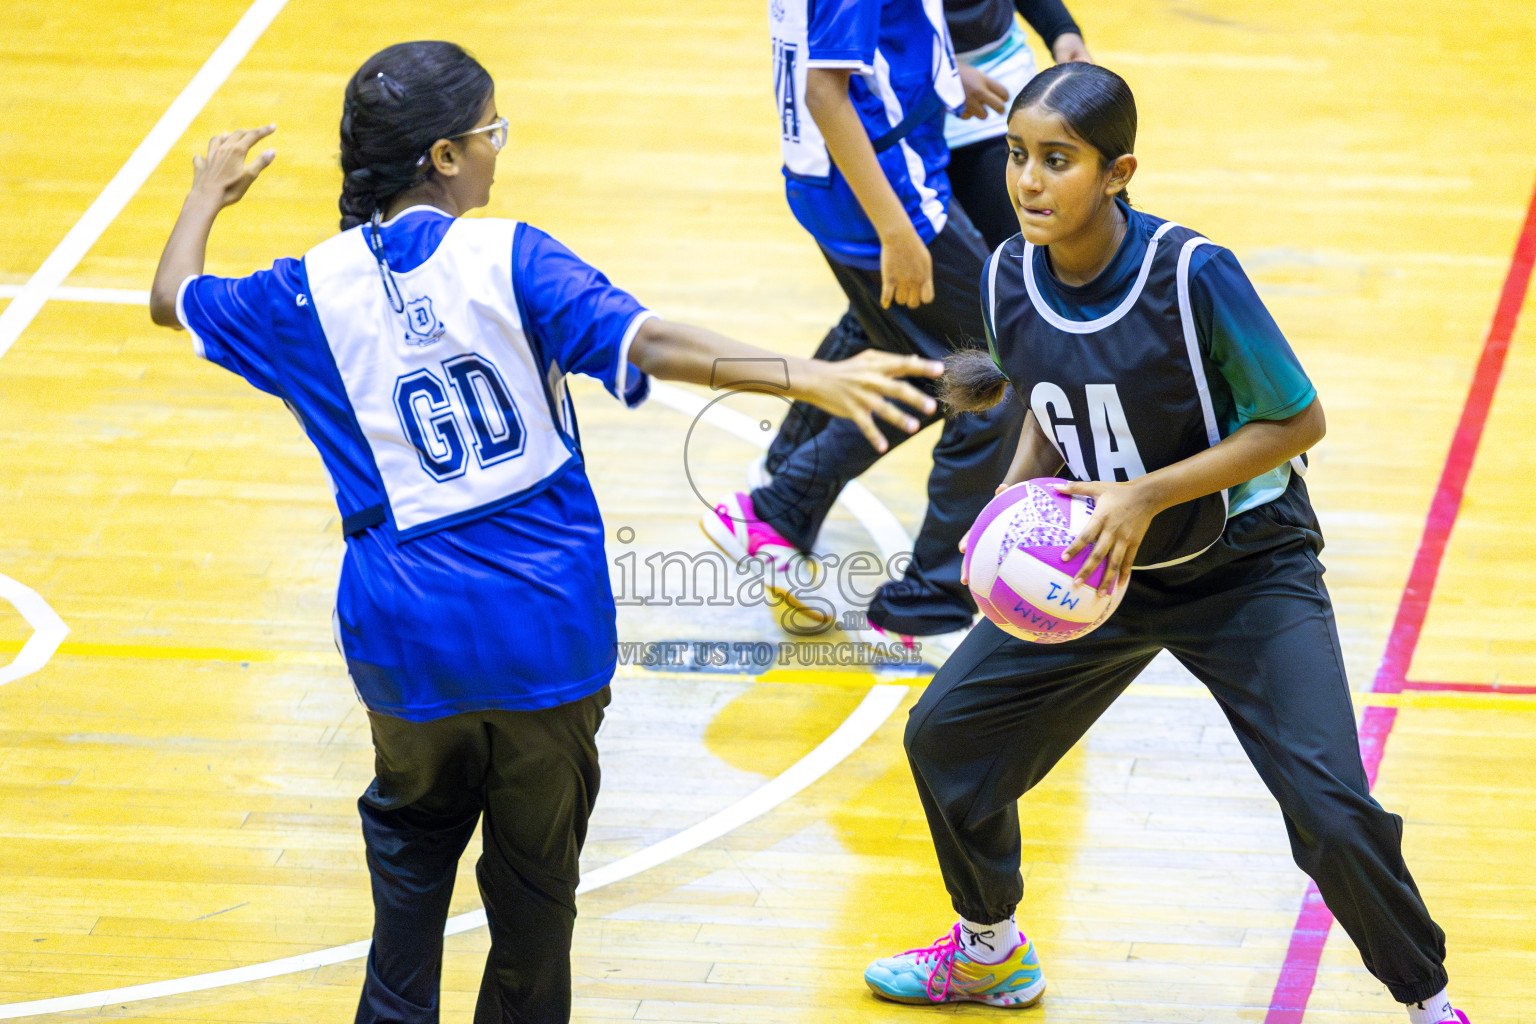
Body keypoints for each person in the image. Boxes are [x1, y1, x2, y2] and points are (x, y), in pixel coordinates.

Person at [146, 41, 942, 1024]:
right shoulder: (511, 256)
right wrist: (806, 373)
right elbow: (647, 341)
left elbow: (171, 297)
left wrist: (206, 195)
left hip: (406, 638)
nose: (497, 151)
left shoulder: (298, 294)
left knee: (406, 890)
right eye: (491, 132)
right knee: (531, 918)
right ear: (442, 156)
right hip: (547, 630)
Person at [862, 62, 1469, 1024]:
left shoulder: (1191, 275)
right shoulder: (1009, 272)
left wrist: (1143, 494)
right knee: (947, 737)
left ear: (1117, 171)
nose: (1027, 181)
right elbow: (1049, 400)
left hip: (1246, 569)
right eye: (1018, 155)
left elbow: (1297, 422)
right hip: (1101, 568)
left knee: (1331, 813)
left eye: (1057, 161)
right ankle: (989, 952)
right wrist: (1016, 497)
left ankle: (1429, 1003)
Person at [736, 0, 1092, 663]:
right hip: (887, 194)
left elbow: (873, 43)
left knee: (918, 357)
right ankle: (918, 608)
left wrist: (945, 77)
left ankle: (781, 503)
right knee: (993, 373)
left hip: (849, 184)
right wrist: (897, 229)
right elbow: (825, 87)